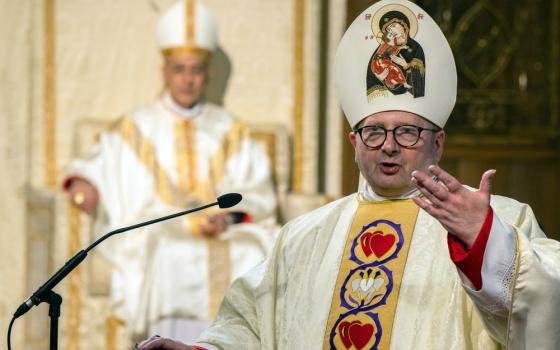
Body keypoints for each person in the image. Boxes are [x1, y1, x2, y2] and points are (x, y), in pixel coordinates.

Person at [137, 0, 560, 349]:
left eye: (408, 131)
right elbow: (247, 328)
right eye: (374, 131)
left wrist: (485, 242)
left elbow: (548, 303)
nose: (389, 145)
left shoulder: (499, 218)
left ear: (439, 142)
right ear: (354, 142)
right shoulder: (304, 236)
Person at [63, 0, 278, 344]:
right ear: (164, 71)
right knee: (167, 254)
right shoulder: (136, 128)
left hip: (220, 231)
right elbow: (100, 163)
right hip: (163, 228)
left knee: (252, 254)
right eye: (179, 69)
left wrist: (230, 218)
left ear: (207, 72)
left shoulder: (230, 130)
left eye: (196, 69)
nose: (188, 79)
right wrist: (84, 183)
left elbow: (257, 191)